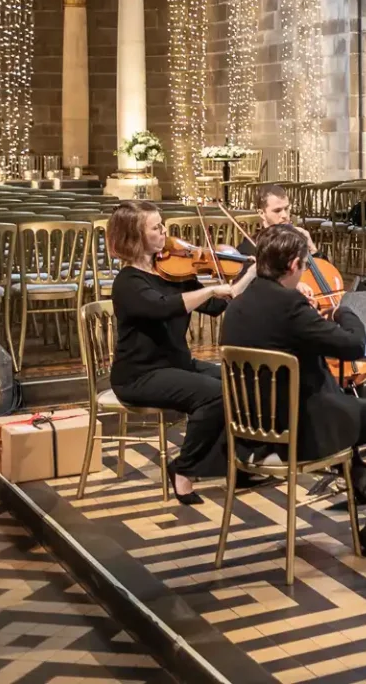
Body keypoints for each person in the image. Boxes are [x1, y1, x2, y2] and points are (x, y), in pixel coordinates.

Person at [219, 224, 366, 555]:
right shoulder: (291, 307)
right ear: (294, 265)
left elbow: (283, 335)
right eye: (307, 262)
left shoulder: (238, 304)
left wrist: (312, 321)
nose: (308, 268)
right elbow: (353, 345)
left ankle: (362, 479)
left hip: (253, 430)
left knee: (336, 399)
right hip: (302, 432)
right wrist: (342, 312)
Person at [107, 200, 257, 505]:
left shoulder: (175, 270)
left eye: (163, 225)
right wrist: (209, 289)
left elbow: (216, 307)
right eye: (156, 227)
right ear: (134, 236)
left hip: (177, 364)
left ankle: (232, 463)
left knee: (242, 381)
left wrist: (252, 274)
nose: (165, 232)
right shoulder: (127, 282)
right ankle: (184, 469)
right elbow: (163, 307)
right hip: (139, 375)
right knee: (215, 394)